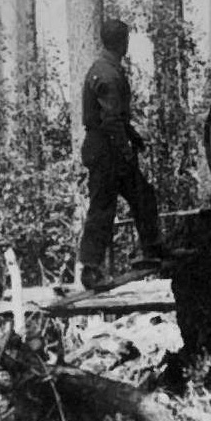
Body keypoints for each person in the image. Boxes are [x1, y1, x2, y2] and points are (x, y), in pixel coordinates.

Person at [78, 18, 162, 290]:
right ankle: (91, 270)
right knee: (103, 207)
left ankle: (152, 249)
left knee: (142, 195)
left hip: (109, 146)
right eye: (125, 40)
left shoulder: (108, 69)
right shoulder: (107, 74)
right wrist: (126, 151)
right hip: (107, 150)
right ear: (120, 42)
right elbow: (111, 120)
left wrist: (134, 137)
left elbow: (116, 117)